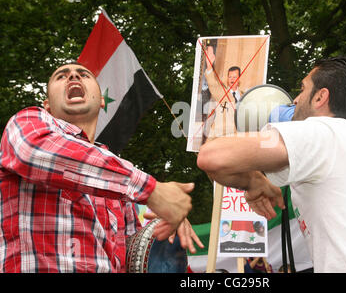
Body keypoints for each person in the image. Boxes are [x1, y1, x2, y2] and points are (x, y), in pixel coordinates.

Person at [197, 56, 346, 273]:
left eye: (302, 89)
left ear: (321, 97)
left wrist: (251, 180)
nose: (296, 99)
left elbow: (212, 157)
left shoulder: (321, 131)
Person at [0, 62, 202, 272]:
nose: (73, 76)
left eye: (83, 74)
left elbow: (136, 259)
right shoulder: (27, 122)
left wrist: (164, 228)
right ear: (47, 105)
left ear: (102, 101)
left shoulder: (119, 180)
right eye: (61, 76)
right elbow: (33, 150)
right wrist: (153, 190)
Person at [203, 46, 245, 139]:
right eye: (230, 77)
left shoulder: (245, 96)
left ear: (239, 78)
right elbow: (212, 84)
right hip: (219, 137)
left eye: (234, 77)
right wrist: (209, 66)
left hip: (237, 139)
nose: (232, 79)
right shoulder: (221, 92)